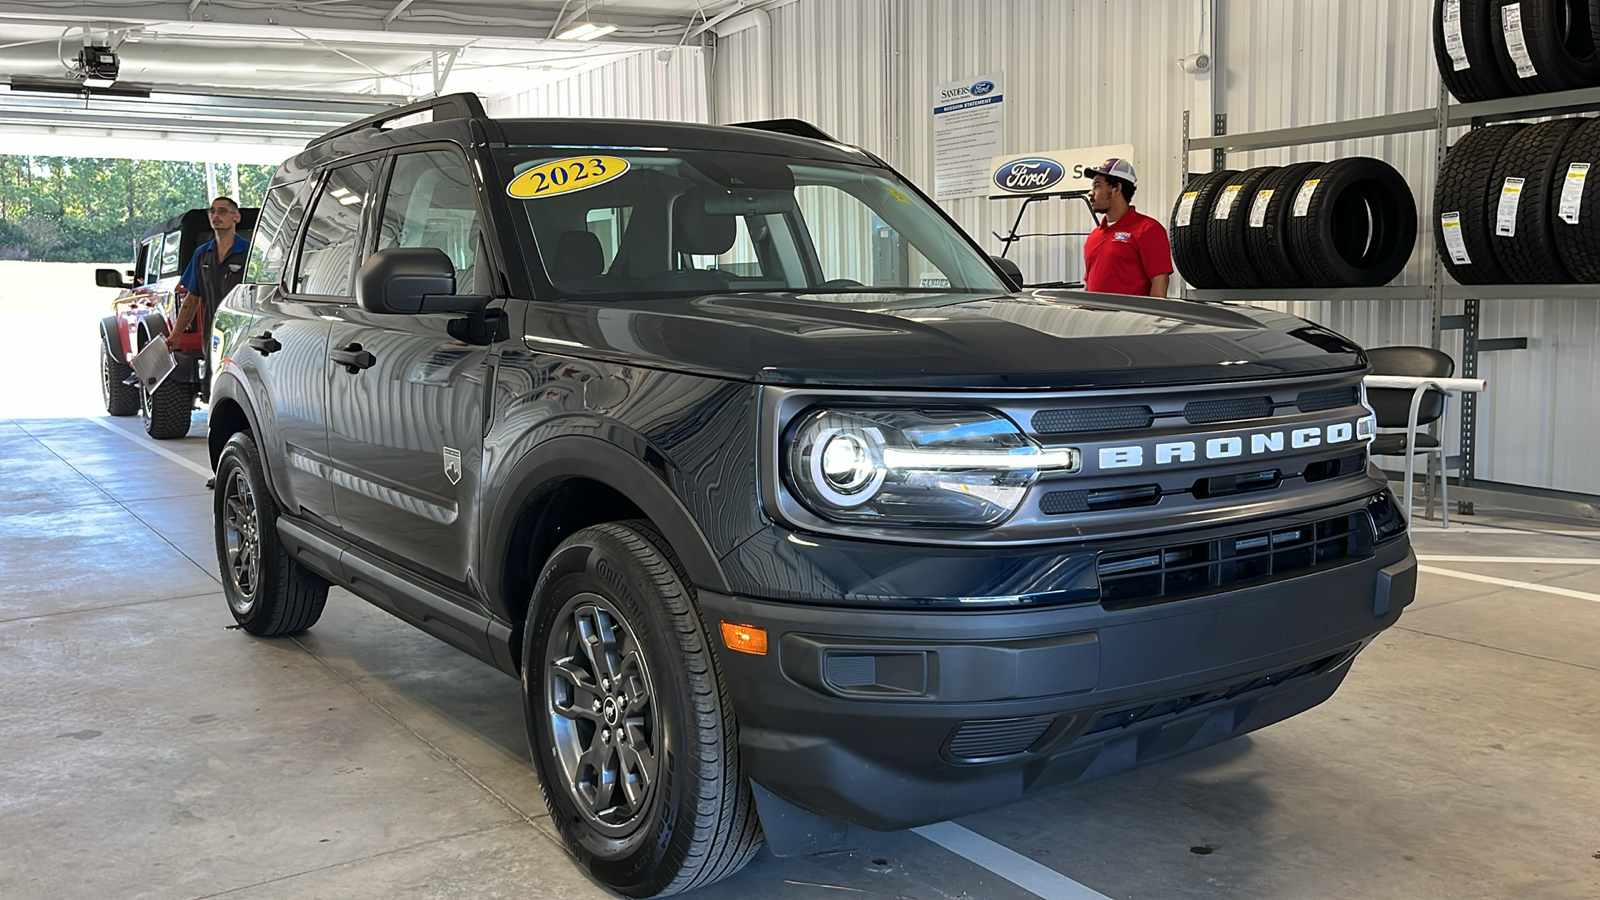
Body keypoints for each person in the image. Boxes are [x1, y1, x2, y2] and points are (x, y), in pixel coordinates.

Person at [1082, 158, 1172, 297]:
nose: (1090, 193)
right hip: (1094, 319)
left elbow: (1160, 283)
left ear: (1117, 188)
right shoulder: (1094, 236)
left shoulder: (1148, 230)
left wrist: (1151, 319)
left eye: (1097, 185)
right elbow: (1089, 286)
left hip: (1131, 319)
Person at [169, 197, 248, 348]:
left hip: (242, 337)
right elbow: (192, 299)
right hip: (212, 338)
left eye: (223, 211)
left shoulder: (249, 253)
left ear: (236, 217)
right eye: (212, 211)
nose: (216, 215)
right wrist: (175, 335)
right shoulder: (202, 254)